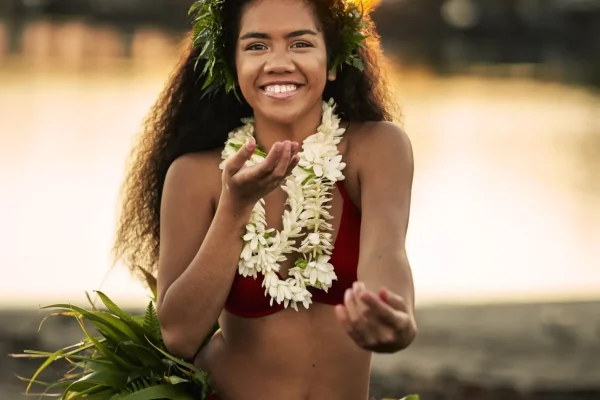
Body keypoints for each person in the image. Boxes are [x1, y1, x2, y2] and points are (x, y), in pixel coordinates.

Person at [113, 0, 417, 398]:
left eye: (300, 44)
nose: (278, 62)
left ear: (333, 63)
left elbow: (387, 256)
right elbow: (178, 336)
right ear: (231, 67)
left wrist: (396, 320)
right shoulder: (193, 175)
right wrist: (235, 209)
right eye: (256, 46)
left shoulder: (376, 149)